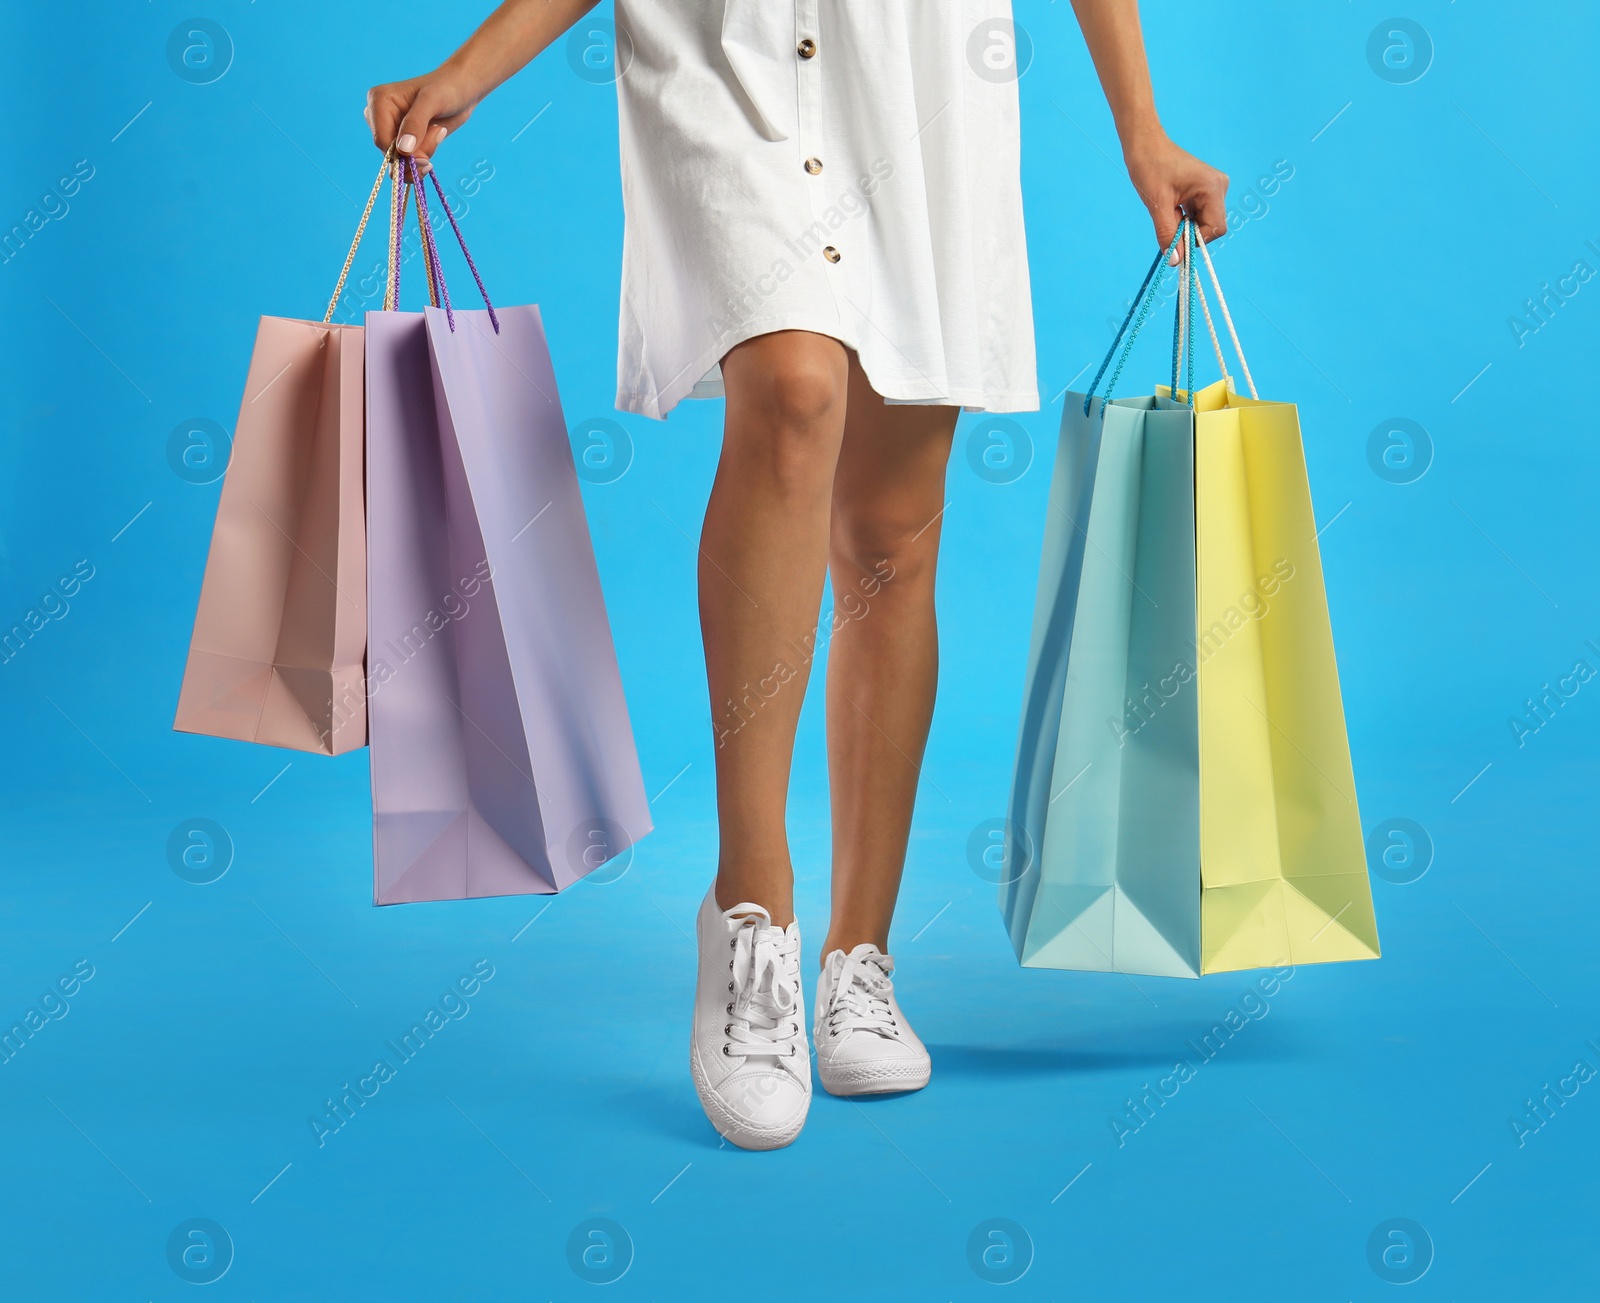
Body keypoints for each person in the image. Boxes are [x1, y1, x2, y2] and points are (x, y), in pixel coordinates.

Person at [367, 0, 1228, 1151]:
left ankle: (856, 957)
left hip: (922, 72)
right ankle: (750, 908)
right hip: (727, 56)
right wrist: (474, 67)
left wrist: (1141, 127)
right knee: (792, 396)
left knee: (890, 530)